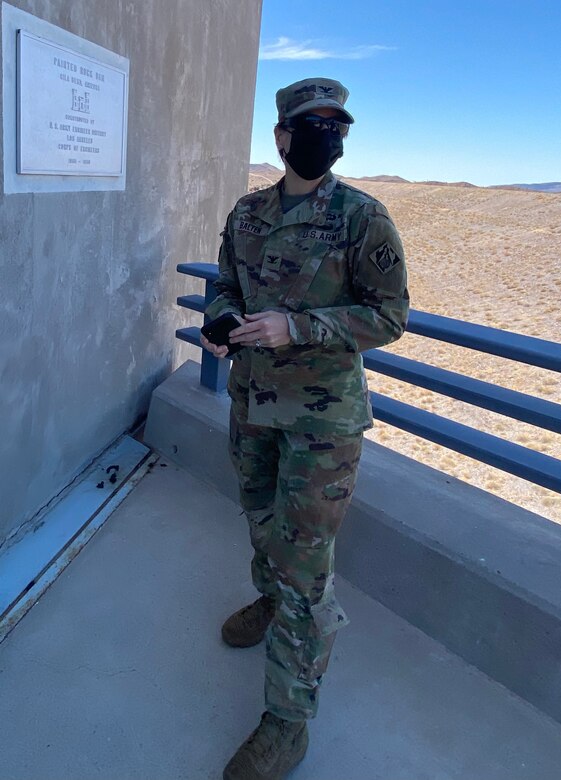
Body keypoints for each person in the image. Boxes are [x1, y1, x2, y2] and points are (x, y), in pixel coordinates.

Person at [200, 77, 409, 780]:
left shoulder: (361, 216)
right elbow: (226, 281)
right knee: (260, 519)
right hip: (252, 403)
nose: (326, 133)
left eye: (335, 124)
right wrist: (222, 320)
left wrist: (298, 326)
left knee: (305, 568)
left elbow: (388, 316)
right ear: (282, 135)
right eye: (310, 123)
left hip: (321, 421)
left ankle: (287, 722)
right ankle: (268, 596)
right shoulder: (249, 211)